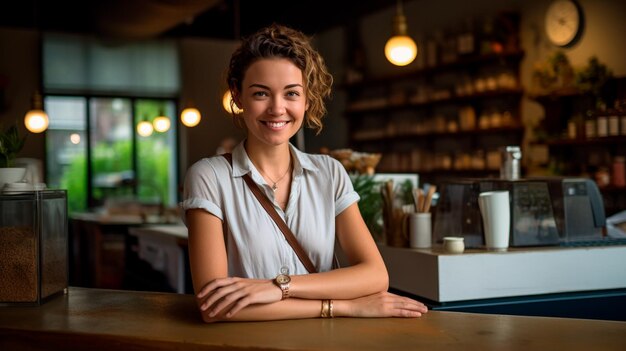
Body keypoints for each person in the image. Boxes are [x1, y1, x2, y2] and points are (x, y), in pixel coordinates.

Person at [181, 23, 427, 323]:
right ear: (238, 96)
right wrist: (344, 306)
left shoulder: (330, 173)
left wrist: (279, 288)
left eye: (291, 93)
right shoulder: (208, 177)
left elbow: (375, 276)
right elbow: (215, 305)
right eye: (261, 94)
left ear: (307, 99)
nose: (277, 108)